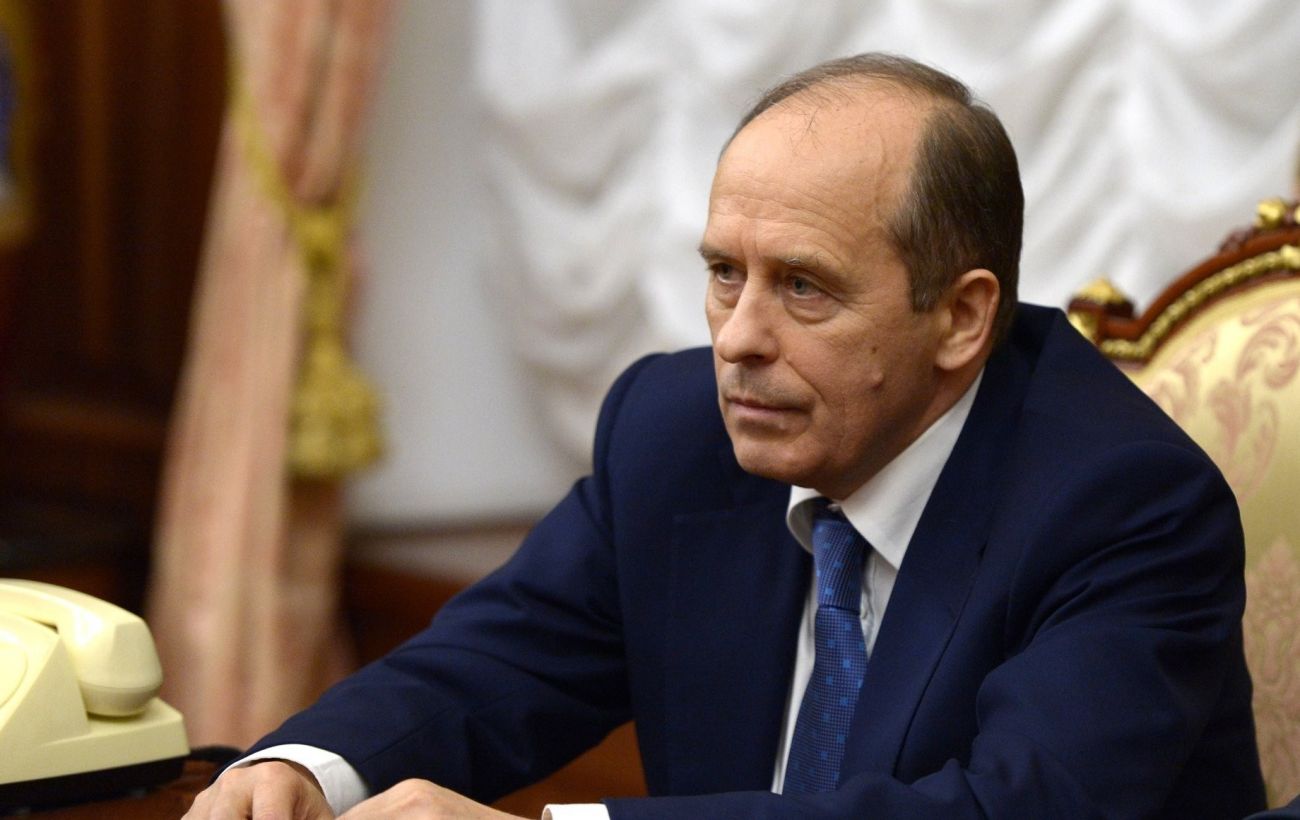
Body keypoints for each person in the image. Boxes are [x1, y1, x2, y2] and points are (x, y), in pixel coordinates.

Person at [183, 53, 1266, 819]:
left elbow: (1001, 813)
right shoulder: (676, 432)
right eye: (722, 273)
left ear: (961, 318)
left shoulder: (1123, 504)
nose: (738, 339)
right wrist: (308, 768)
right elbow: (492, 665)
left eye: (803, 287)